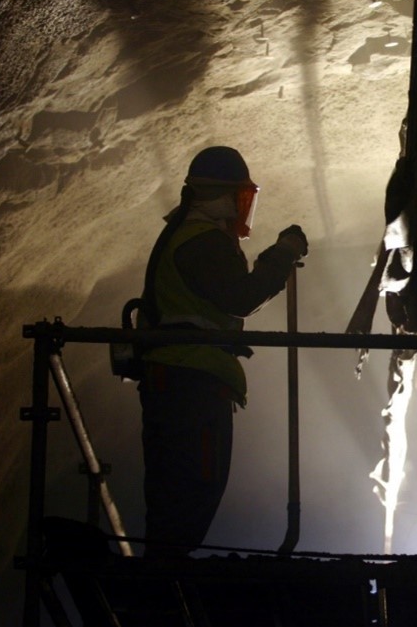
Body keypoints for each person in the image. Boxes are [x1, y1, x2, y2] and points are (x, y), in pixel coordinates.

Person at [136, 146, 308, 558]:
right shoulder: (201, 240)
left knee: (182, 494)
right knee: (191, 489)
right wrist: (282, 254)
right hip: (189, 383)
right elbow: (240, 296)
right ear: (220, 195)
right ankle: (161, 589)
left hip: (182, 379)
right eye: (240, 197)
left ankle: (161, 581)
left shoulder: (186, 235)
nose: (241, 208)